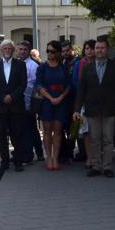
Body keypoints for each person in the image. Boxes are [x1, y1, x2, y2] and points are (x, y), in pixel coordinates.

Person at [75, 38, 115, 178]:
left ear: (107, 49)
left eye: (102, 48)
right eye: (97, 48)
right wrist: (77, 110)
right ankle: (96, 166)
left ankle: (107, 166)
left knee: (108, 139)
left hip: (110, 109)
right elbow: (81, 90)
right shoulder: (87, 68)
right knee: (94, 139)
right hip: (92, 109)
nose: (99, 50)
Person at [0, 40, 27, 172]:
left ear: (13, 50)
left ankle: (18, 161)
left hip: (16, 105)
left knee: (17, 134)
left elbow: (23, 84)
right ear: (1, 50)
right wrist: (2, 97)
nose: (7, 50)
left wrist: (12, 96)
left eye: (9, 48)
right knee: (1, 136)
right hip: (0, 107)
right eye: (5, 48)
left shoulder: (20, 65)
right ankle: (4, 161)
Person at [36, 40, 71, 171]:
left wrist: (60, 97)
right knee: (47, 130)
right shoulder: (42, 67)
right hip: (47, 102)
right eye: (48, 51)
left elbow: (68, 85)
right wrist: (50, 98)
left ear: (57, 52)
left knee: (57, 131)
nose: (49, 53)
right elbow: (38, 85)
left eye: (52, 51)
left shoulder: (63, 68)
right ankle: (49, 158)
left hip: (61, 102)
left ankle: (55, 158)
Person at [15, 40, 44, 163]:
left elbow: (34, 86)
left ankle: (35, 153)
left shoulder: (33, 65)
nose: (22, 52)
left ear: (28, 51)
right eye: (20, 49)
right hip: (17, 102)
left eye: (25, 50)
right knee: (21, 129)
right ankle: (24, 152)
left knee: (30, 129)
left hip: (29, 102)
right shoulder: (15, 63)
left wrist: (32, 105)